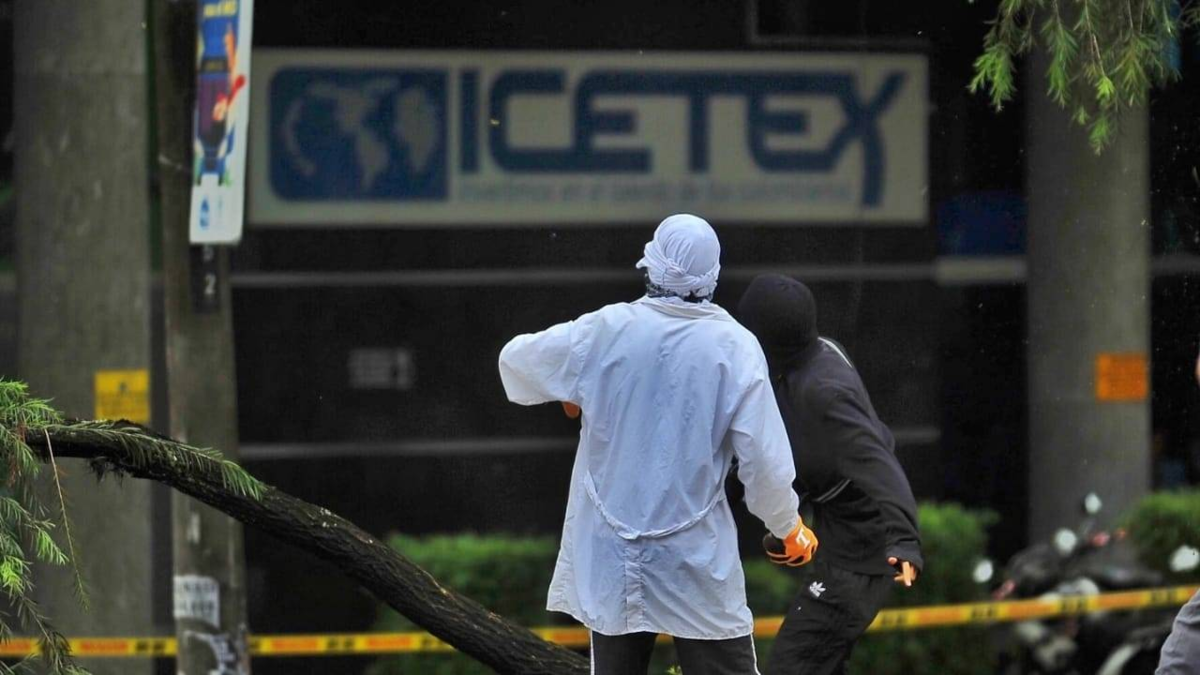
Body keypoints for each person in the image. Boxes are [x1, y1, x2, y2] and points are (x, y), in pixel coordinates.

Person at [498, 215, 817, 675]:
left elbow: (516, 360)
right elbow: (764, 464)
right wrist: (788, 526)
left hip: (612, 553)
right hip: (695, 557)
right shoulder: (735, 347)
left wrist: (572, 389)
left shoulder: (604, 330)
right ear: (712, 276)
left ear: (651, 265)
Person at [737, 273, 923, 675]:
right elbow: (814, 449)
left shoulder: (823, 391)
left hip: (859, 556)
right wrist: (790, 517)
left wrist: (905, 540)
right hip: (840, 535)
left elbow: (877, 460)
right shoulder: (817, 352)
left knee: (791, 667)